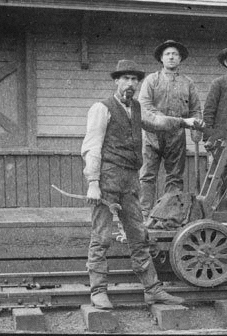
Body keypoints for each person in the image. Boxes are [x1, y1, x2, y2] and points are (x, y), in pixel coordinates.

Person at [82, 60, 194, 310]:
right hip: (107, 180)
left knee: (139, 236)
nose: (131, 84)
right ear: (117, 81)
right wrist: (93, 182)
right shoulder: (102, 108)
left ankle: (153, 290)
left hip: (130, 182)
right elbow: (92, 146)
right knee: (101, 237)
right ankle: (98, 290)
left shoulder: (136, 108)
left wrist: (184, 123)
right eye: (126, 79)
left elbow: (156, 122)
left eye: (135, 80)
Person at [138, 40, 202, 221]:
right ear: (161, 58)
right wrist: (167, 121)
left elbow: (196, 110)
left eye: (175, 54)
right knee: (147, 176)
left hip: (176, 138)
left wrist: (196, 130)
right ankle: (144, 216)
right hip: (152, 136)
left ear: (180, 59)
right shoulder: (151, 80)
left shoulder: (187, 83)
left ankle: (169, 217)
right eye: (168, 54)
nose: (171, 57)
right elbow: (145, 108)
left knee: (174, 177)